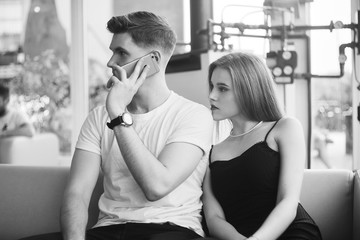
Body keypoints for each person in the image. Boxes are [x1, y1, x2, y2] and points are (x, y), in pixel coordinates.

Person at [20, 11, 213, 240]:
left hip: (170, 229)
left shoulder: (194, 115)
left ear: (153, 60)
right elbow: (77, 194)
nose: (111, 62)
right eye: (113, 52)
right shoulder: (97, 117)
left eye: (122, 53)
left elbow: (156, 187)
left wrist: (118, 115)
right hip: (109, 230)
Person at [202, 52, 322, 240]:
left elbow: (288, 201)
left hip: (291, 233)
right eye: (212, 87)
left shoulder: (284, 127)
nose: (211, 96)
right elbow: (213, 217)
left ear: (249, 90)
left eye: (222, 88)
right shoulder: (211, 151)